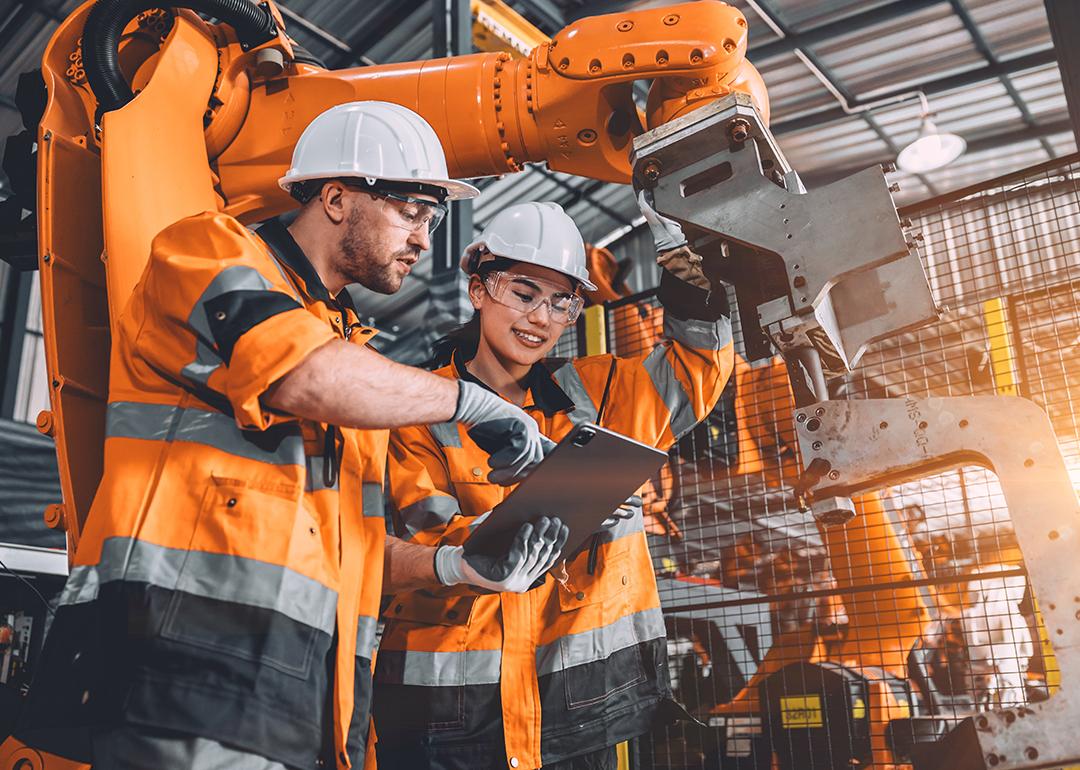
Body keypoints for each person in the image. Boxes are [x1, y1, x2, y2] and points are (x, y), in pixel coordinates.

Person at [15, 101, 568, 770]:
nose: (426, 241)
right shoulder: (208, 251)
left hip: (300, 701)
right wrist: (472, 402)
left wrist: (457, 565)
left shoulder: (351, 354)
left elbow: (357, 550)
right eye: (412, 213)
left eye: (432, 220)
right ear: (335, 198)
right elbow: (301, 374)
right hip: (178, 671)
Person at [372, 200, 735, 770]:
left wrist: (687, 270)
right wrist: (560, 506)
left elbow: (695, 368)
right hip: (448, 711)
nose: (540, 316)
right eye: (523, 292)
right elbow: (428, 541)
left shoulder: (604, 392)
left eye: (561, 301)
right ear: (479, 291)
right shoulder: (419, 411)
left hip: (579, 708)